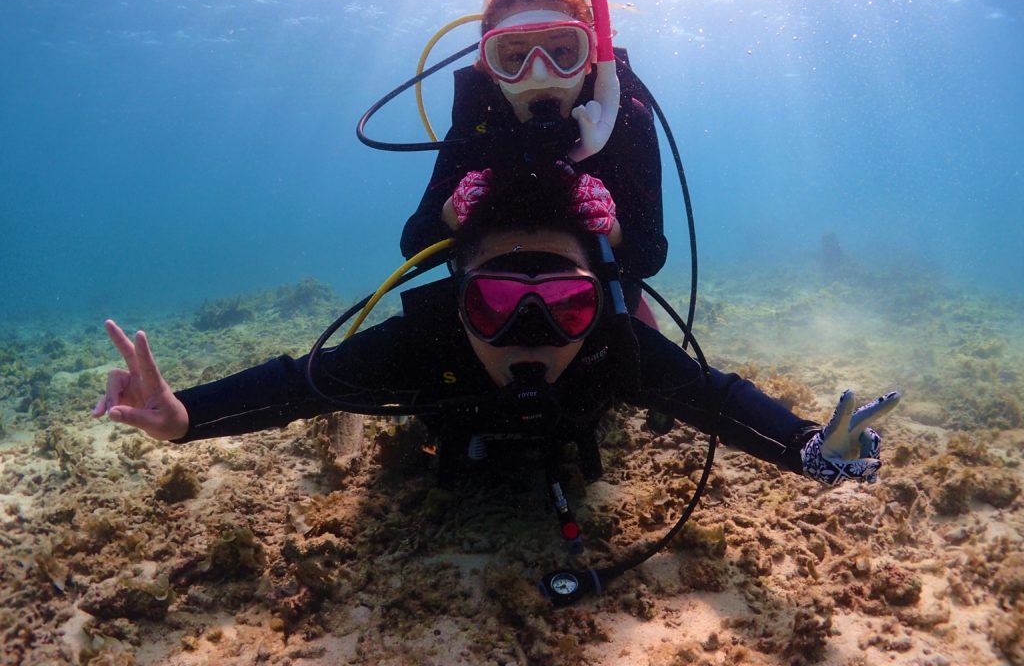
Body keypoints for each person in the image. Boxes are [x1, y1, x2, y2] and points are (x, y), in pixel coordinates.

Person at [92, 163, 899, 498]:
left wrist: (808, 449)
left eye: (569, 305)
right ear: (457, 299)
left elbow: (711, 396)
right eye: (496, 301)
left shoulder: (612, 346)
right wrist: (184, 417)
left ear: (601, 303)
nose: (532, 331)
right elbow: (298, 385)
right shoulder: (425, 339)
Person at [400, 0, 667, 319]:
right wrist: (453, 210)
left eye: (562, 51)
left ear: (591, 58)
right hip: (489, 308)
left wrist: (612, 229)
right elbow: (414, 245)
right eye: (513, 56)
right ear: (490, 70)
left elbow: (649, 257)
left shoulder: (626, 121)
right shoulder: (479, 126)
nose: (539, 74)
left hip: (598, 302)